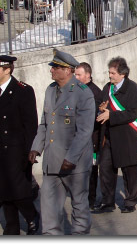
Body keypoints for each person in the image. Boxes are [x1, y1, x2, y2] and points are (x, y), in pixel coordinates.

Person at [29, 50, 95, 235]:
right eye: (52, 67)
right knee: (49, 206)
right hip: (52, 159)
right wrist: (36, 147)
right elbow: (44, 122)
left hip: (74, 162)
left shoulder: (83, 93)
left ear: (68, 70)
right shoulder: (50, 90)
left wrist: (71, 157)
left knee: (79, 203)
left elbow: (84, 131)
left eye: (56, 68)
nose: (52, 71)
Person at [0, 51, 39, 235]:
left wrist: (29, 152)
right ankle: (11, 227)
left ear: (7, 70)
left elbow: (31, 125)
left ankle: (32, 216)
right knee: (3, 192)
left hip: (17, 151)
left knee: (18, 191)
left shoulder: (23, 90)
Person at [94, 57, 137, 214]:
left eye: (113, 73)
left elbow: (132, 113)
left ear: (123, 74)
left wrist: (111, 116)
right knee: (106, 170)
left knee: (130, 171)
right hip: (109, 137)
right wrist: (102, 109)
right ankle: (108, 201)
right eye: (109, 72)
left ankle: (130, 201)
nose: (110, 76)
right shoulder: (107, 88)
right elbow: (103, 107)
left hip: (128, 136)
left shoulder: (133, 89)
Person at [74, 62, 103, 209]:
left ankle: (90, 200)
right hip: (78, 138)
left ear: (88, 75)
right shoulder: (76, 90)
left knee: (91, 172)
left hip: (91, 139)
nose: (76, 77)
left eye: (79, 75)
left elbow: (93, 119)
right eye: (75, 74)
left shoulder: (95, 93)